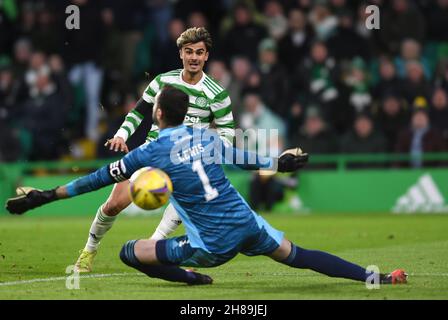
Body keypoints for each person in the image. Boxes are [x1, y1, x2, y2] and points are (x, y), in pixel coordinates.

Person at [6, 85, 407, 286]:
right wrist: (280, 162)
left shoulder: (148, 154)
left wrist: (46, 196)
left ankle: (194, 279)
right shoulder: (210, 139)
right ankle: (377, 278)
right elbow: (249, 159)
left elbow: (95, 180)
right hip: (247, 224)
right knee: (296, 253)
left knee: (132, 252)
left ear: (158, 113)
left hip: (211, 245)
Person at [73, 27, 236, 273]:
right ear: (181, 53)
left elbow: (228, 134)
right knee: (114, 205)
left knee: (184, 205)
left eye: (199, 53)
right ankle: (89, 250)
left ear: (206, 56)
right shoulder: (163, 81)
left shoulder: (217, 93)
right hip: (152, 152)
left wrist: (210, 151)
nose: (194, 57)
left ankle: (152, 247)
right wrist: (121, 135)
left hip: (186, 161)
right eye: (189, 51)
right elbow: (139, 111)